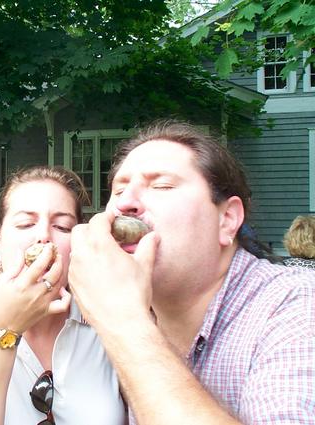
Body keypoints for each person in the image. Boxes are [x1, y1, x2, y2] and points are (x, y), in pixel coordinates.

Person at [67, 121, 315, 424]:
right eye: (118, 190)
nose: (124, 203)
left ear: (227, 219)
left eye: (161, 186)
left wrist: (122, 321)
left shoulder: (299, 302)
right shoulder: (95, 316)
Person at [0, 166, 125, 425]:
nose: (43, 236)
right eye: (26, 224)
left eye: (62, 227)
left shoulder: (107, 321)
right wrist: (4, 330)